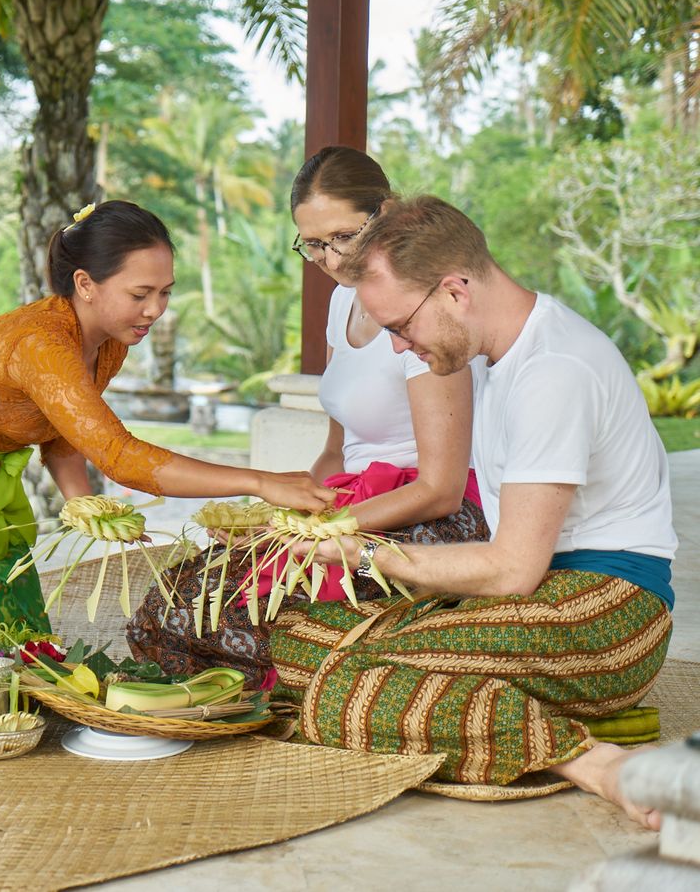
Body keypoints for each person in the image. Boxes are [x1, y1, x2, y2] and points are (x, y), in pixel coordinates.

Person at [276, 195, 675, 828]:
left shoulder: (554, 370)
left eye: (402, 327)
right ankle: (506, 707)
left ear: (455, 291)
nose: (403, 349)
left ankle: (591, 761)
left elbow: (513, 570)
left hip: (608, 613)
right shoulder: (498, 356)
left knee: (342, 685)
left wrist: (369, 553)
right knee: (296, 644)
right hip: (539, 593)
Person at [0, 200, 338, 634]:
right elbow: (121, 456)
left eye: (165, 292)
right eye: (140, 294)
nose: (155, 310)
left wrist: (83, 503)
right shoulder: (43, 345)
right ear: (85, 283)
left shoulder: (107, 342)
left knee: (25, 635)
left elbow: (64, 430)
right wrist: (260, 481)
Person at [128, 147, 488, 684]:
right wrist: (276, 522)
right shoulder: (343, 303)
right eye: (314, 244)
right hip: (348, 505)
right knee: (171, 601)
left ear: (386, 214)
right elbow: (337, 451)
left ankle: (328, 696)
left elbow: (441, 487)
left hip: (423, 520)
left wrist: (319, 532)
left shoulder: (422, 307)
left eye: (345, 236)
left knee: (234, 617)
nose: (332, 258)